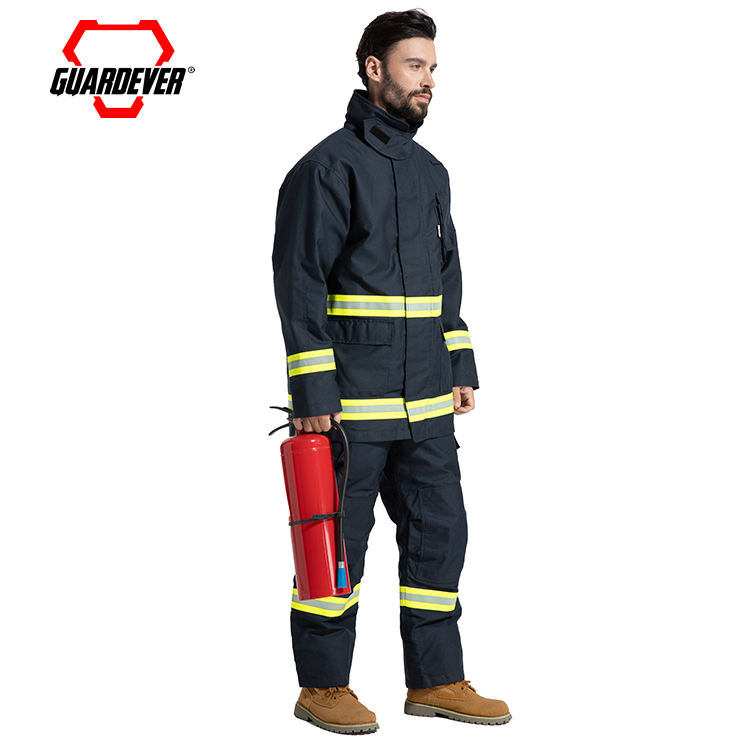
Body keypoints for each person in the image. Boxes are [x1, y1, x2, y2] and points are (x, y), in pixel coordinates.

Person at [272, 9, 511, 734]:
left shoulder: (431, 172)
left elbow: (447, 280)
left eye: (433, 69)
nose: (428, 81)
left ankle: (437, 680)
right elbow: (301, 284)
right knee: (333, 547)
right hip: (350, 408)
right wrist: (312, 390)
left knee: (441, 536)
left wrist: (459, 363)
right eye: (415, 66)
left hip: (427, 404)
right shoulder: (326, 168)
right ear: (374, 69)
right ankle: (323, 687)